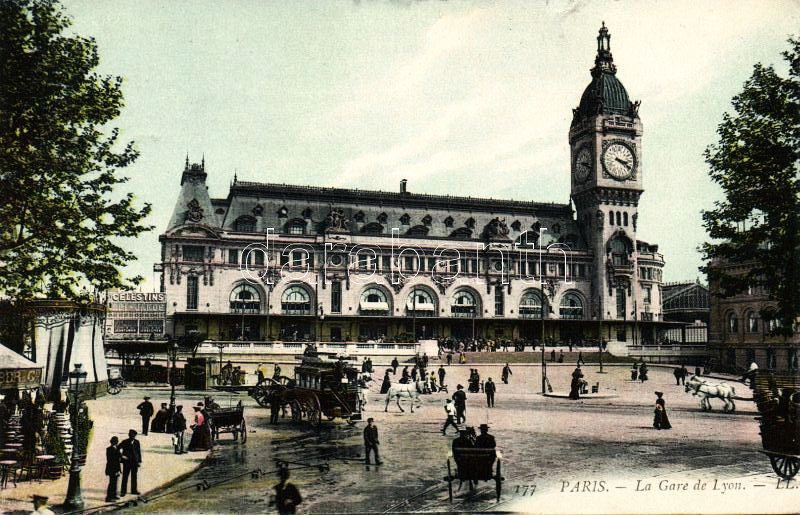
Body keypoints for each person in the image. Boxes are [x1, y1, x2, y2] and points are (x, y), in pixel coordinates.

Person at [119, 429, 142, 496]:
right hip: (127, 462)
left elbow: (138, 452)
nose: (132, 437)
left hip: (135, 462)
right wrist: (122, 456)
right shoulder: (125, 442)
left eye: (133, 436)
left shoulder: (137, 442)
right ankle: (123, 491)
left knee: (134, 477)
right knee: (125, 477)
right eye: (131, 436)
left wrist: (139, 461)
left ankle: (134, 490)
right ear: (129, 435)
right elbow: (118, 448)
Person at [105, 436, 122, 501]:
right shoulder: (109, 449)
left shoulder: (116, 448)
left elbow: (120, 456)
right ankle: (109, 497)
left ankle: (114, 495)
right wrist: (116, 470)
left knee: (115, 483)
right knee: (112, 483)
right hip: (112, 469)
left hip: (116, 468)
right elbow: (112, 461)